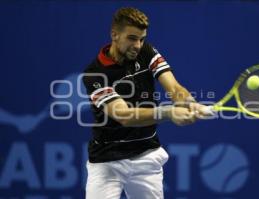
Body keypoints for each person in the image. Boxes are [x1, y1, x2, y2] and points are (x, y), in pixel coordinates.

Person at [82, 7, 213, 199]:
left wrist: (188, 102)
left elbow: (175, 88)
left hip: (146, 156)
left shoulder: (146, 51)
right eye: (132, 38)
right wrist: (169, 113)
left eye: (142, 39)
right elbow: (123, 115)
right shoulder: (94, 73)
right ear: (114, 34)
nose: (138, 45)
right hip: (107, 161)